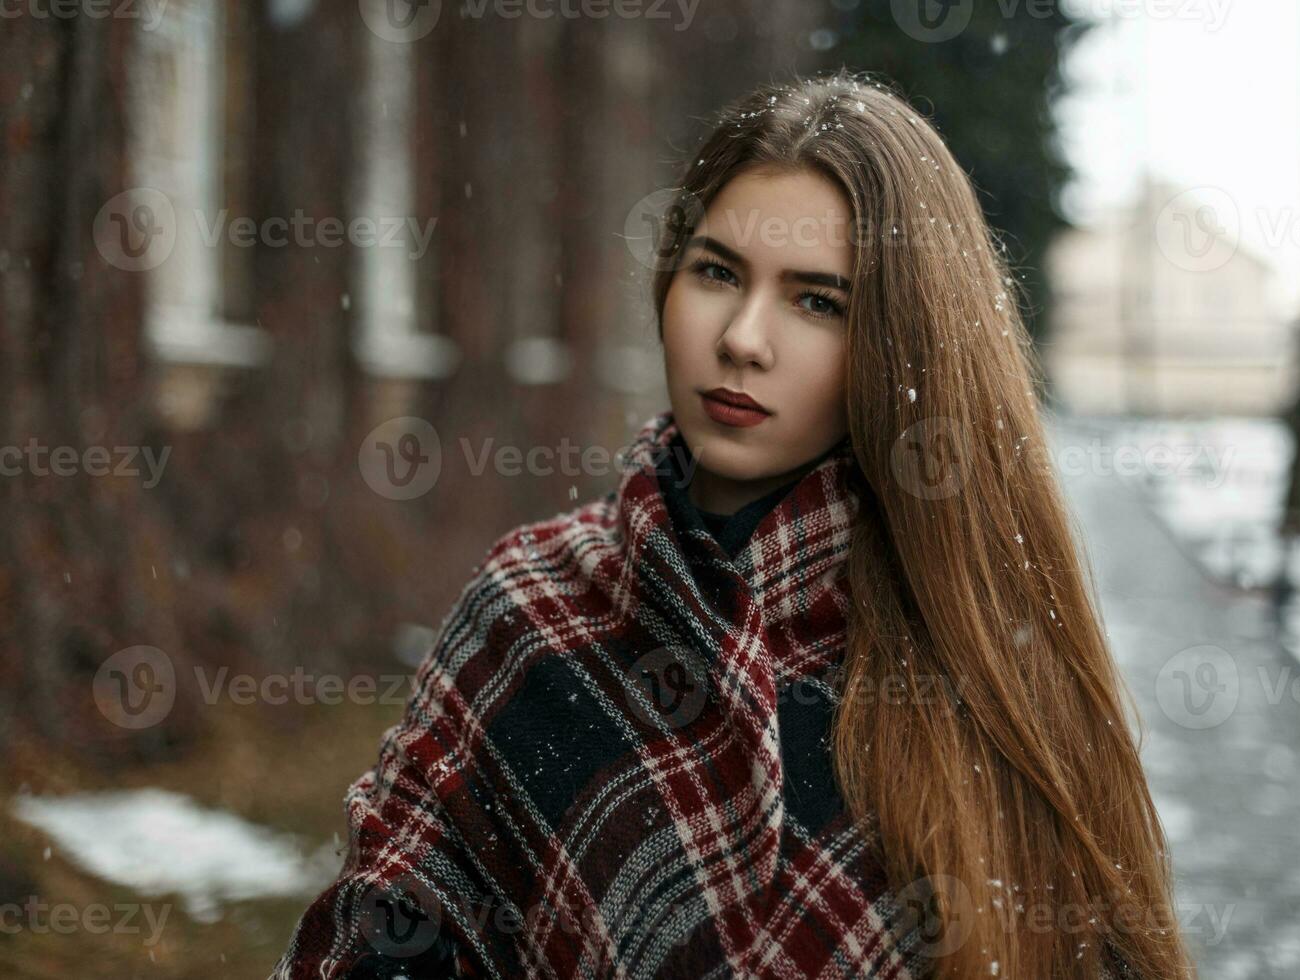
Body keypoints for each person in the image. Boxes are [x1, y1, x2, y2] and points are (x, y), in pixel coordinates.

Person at [272, 69, 1194, 980]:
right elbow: (387, 936)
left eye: (816, 300)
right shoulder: (530, 612)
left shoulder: (981, 664)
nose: (744, 337)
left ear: (900, 342)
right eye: (718, 272)